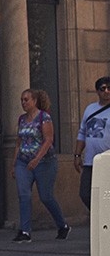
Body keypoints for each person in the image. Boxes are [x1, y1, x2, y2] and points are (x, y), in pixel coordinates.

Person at [12, 88, 69, 242]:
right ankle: (25, 231)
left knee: (46, 196)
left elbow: (48, 140)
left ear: (34, 101)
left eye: (26, 99)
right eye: (22, 100)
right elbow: (18, 142)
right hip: (23, 162)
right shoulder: (22, 119)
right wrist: (14, 164)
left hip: (45, 162)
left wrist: (37, 159)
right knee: (24, 195)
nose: (23, 103)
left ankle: (62, 225)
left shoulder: (44, 118)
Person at [73, 76, 110, 211]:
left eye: (109, 88)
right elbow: (82, 132)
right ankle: (100, 217)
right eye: (103, 88)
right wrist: (77, 155)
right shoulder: (90, 109)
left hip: (107, 161)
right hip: (90, 161)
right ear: (97, 91)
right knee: (85, 194)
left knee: (106, 194)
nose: (106, 91)